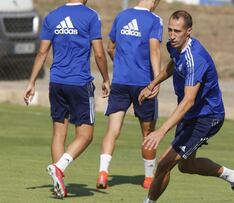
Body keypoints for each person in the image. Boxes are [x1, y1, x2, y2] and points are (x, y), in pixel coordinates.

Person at [138, 10, 234, 203]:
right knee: (186, 166)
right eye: (170, 30)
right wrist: (153, 83)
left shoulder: (195, 58)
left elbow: (188, 100)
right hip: (191, 115)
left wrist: (161, 131)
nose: (172, 35)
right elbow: (174, 64)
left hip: (207, 117)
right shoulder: (175, 46)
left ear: (188, 31)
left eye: (177, 31)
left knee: (164, 164)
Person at [23, 0, 110, 199]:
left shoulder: (53, 16)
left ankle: (58, 181)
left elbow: (42, 52)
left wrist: (31, 82)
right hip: (79, 83)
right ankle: (59, 169)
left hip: (56, 83)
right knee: (86, 135)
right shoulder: (90, 16)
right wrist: (106, 79)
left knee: (58, 134)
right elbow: (99, 53)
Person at [95, 0, 163, 190]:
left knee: (112, 130)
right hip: (143, 85)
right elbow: (155, 49)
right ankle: (149, 179)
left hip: (120, 82)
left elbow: (110, 48)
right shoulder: (154, 20)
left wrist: (123, 65)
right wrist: (156, 81)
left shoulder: (122, 16)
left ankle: (102, 173)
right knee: (148, 133)